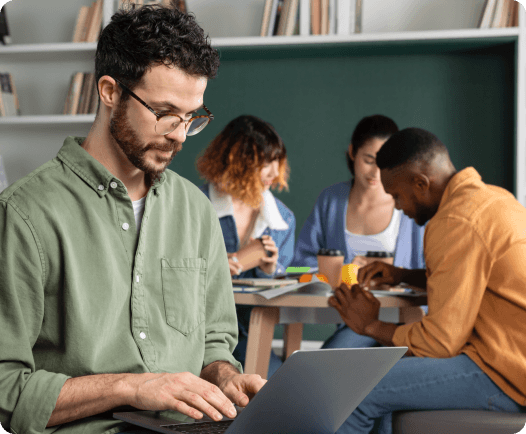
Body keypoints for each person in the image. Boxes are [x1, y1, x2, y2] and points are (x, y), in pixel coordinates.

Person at [0, 5, 265, 434]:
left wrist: (225, 377)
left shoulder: (195, 211)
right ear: (109, 91)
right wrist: (131, 387)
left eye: (191, 117)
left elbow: (214, 343)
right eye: (164, 113)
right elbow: (4, 389)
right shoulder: (24, 214)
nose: (179, 134)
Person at [329, 127, 526, 434]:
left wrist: (370, 325)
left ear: (420, 183)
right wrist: (403, 275)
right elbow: (473, 277)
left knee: (353, 390)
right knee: (379, 387)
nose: (396, 206)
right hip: (514, 359)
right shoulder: (493, 199)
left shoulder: (455, 221)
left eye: (396, 195)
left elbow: (439, 343)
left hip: (506, 373)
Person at [292, 115, 425, 349]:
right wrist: (345, 272)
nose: (375, 172)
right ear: (352, 152)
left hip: (408, 323)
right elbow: (297, 267)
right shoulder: (330, 201)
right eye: (368, 160)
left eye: (384, 162)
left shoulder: (410, 205)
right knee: (329, 363)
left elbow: (429, 272)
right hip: (351, 322)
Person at [197, 115, 295, 377]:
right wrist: (211, 270)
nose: (274, 173)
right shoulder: (195, 205)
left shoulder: (282, 219)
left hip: (252, 337)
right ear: (236, 161)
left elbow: (284, 292)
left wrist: (270, 269)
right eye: (265, 163)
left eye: (277, 162)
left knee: (273, 390)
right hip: (197, 336)